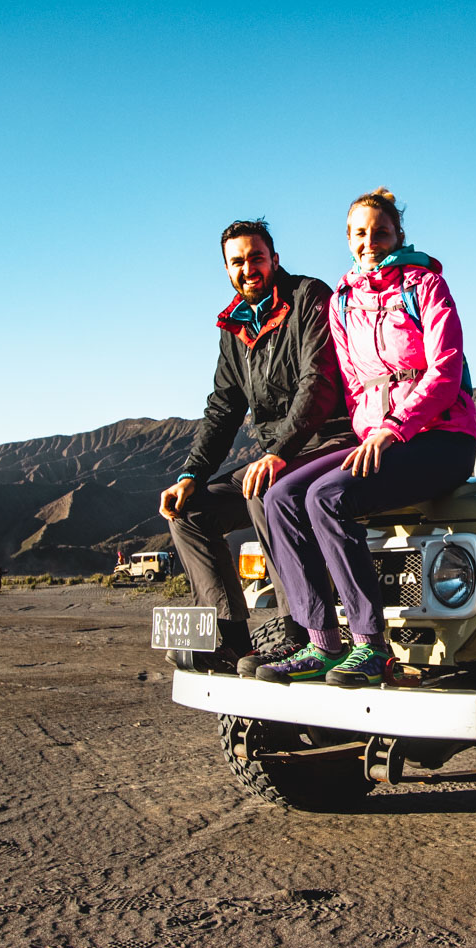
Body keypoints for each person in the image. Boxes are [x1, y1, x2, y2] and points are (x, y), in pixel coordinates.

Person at [257, 188, 476, 685]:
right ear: (349, 238)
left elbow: (443, 373)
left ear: (399, 234)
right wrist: (374, 432)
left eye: (381, 231)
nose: (370, 241)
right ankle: (322, 642)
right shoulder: (343, 300)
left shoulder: (425, 285)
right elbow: (355, 385)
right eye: (360, 233)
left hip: (442, 438)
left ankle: (370, 645)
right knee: (282, 497)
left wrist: (396, 428)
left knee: (328, 496)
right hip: (379, 436)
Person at [158, 220, 353, 670]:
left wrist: (279, 452)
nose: (249, 268)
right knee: (188, 512)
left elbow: (319, 382)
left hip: (328, 440)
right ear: (227, 268)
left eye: (256, 257)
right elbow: (223, 408)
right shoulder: (234, 327)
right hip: (277, 453)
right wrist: (191, 475)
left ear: (274, 259)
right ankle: (230, 641)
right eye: (238, 261)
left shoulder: (308, 297)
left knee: (264, 486)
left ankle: (299, 632)